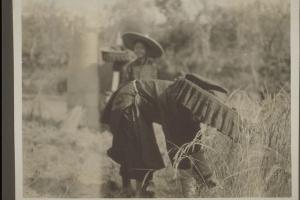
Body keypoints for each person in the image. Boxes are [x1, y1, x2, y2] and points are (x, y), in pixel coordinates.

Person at [101, 73, 239, 197]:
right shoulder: (175, 102)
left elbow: (194, 144)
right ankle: (136, 192)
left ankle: (135, 191)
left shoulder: (191, 108)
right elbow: (177, 148)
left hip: (140, 102)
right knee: (140, 147)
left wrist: (207, 177)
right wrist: (189, 191)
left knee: (141, 147)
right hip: (129, 98)